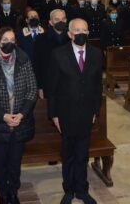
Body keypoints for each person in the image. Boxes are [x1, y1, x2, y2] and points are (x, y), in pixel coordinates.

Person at [47, 19, 103, 204]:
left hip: (87, 112)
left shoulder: (96, 53)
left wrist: (96, 109)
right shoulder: (58, 54)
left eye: (84, 30)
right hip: (65, 112)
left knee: (82, 154)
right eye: (77, 30)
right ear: (70, 34)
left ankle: (82, 189)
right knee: (68, 154)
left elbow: (97, 86)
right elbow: (52, 87)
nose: (81, 33)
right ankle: (69, 190)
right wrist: (54, 114)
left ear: (88, 33)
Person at [0, 27, 38, 204]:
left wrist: (21, 114)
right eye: (5, 39)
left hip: (21, 119)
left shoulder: (23, 58)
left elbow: (32, 89)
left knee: (15, 162)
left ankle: (13, 192)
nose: (9, 43)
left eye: (12, 40)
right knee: (0, 162)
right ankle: (3, 194)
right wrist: (3, 115)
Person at [34, 9, 70, 98]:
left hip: (70, 83)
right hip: (49, 83)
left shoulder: (72, 38)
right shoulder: (41, 39)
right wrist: (40, 87)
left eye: (63, 19)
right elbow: (38, 65)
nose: (61, 21)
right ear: (50, 22)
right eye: (57, 19)